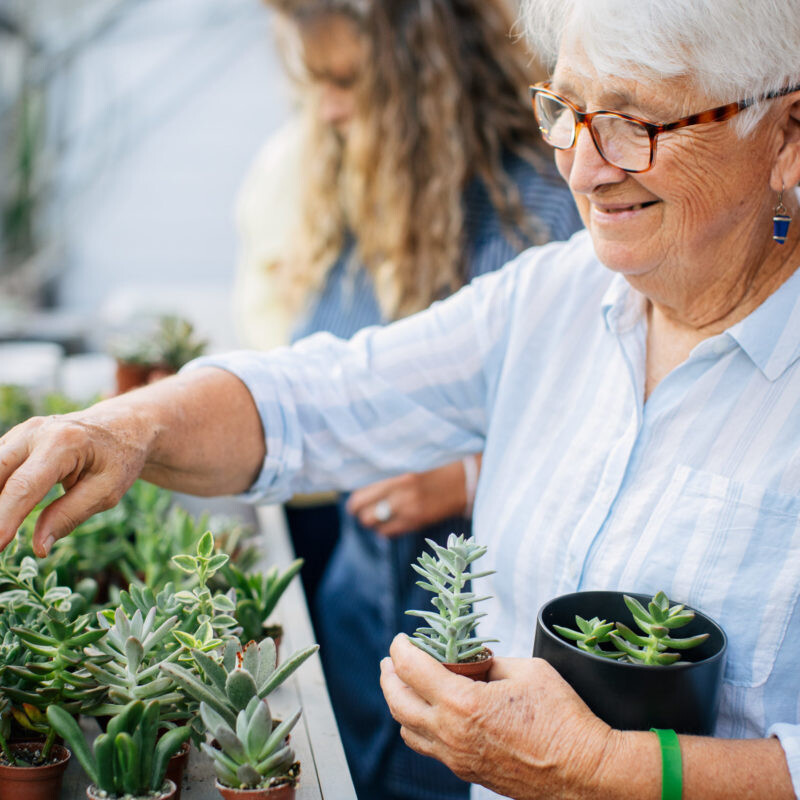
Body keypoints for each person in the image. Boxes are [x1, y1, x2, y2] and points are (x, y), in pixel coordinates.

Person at [1, 0, 800, 797]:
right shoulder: (549, 300)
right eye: (567, 109)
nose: (584, 167)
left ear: (786, 137)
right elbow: (318, 399)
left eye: (635, 122)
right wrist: (124, 427)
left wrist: (604, 770)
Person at [233, 1, 581, 797]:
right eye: (315, 81)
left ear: (424, 78)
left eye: (347, 80)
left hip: (479, 655)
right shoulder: (361, 186)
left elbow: (601, 420)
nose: (326, 106)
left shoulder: (544, 207)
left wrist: (462, 475)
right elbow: (322, 378)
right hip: (363, 617)